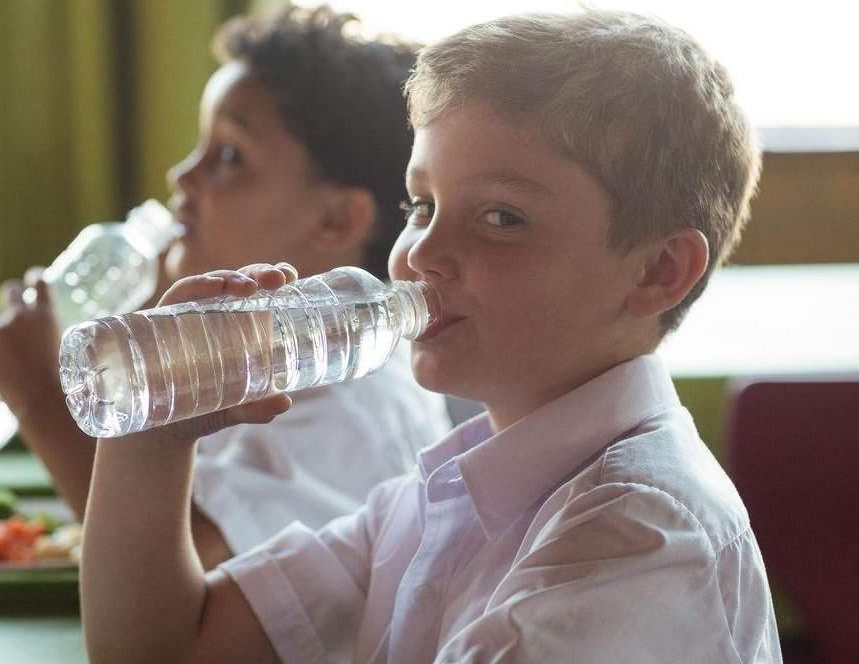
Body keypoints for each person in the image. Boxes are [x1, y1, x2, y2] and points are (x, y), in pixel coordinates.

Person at [80, 9, 783, 663]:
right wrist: (151, 436)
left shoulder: (640, 543)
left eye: (501, 218)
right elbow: (172, 646)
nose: (420, 253)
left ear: (658, 271)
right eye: (422, 205)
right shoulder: (443, 494)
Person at [0, 6, 451, 569]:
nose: (182, 176)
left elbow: (187, 578)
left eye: (229, 156)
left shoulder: (353, 406)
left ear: (337, 221)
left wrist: (41, 398)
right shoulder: (256, 348)